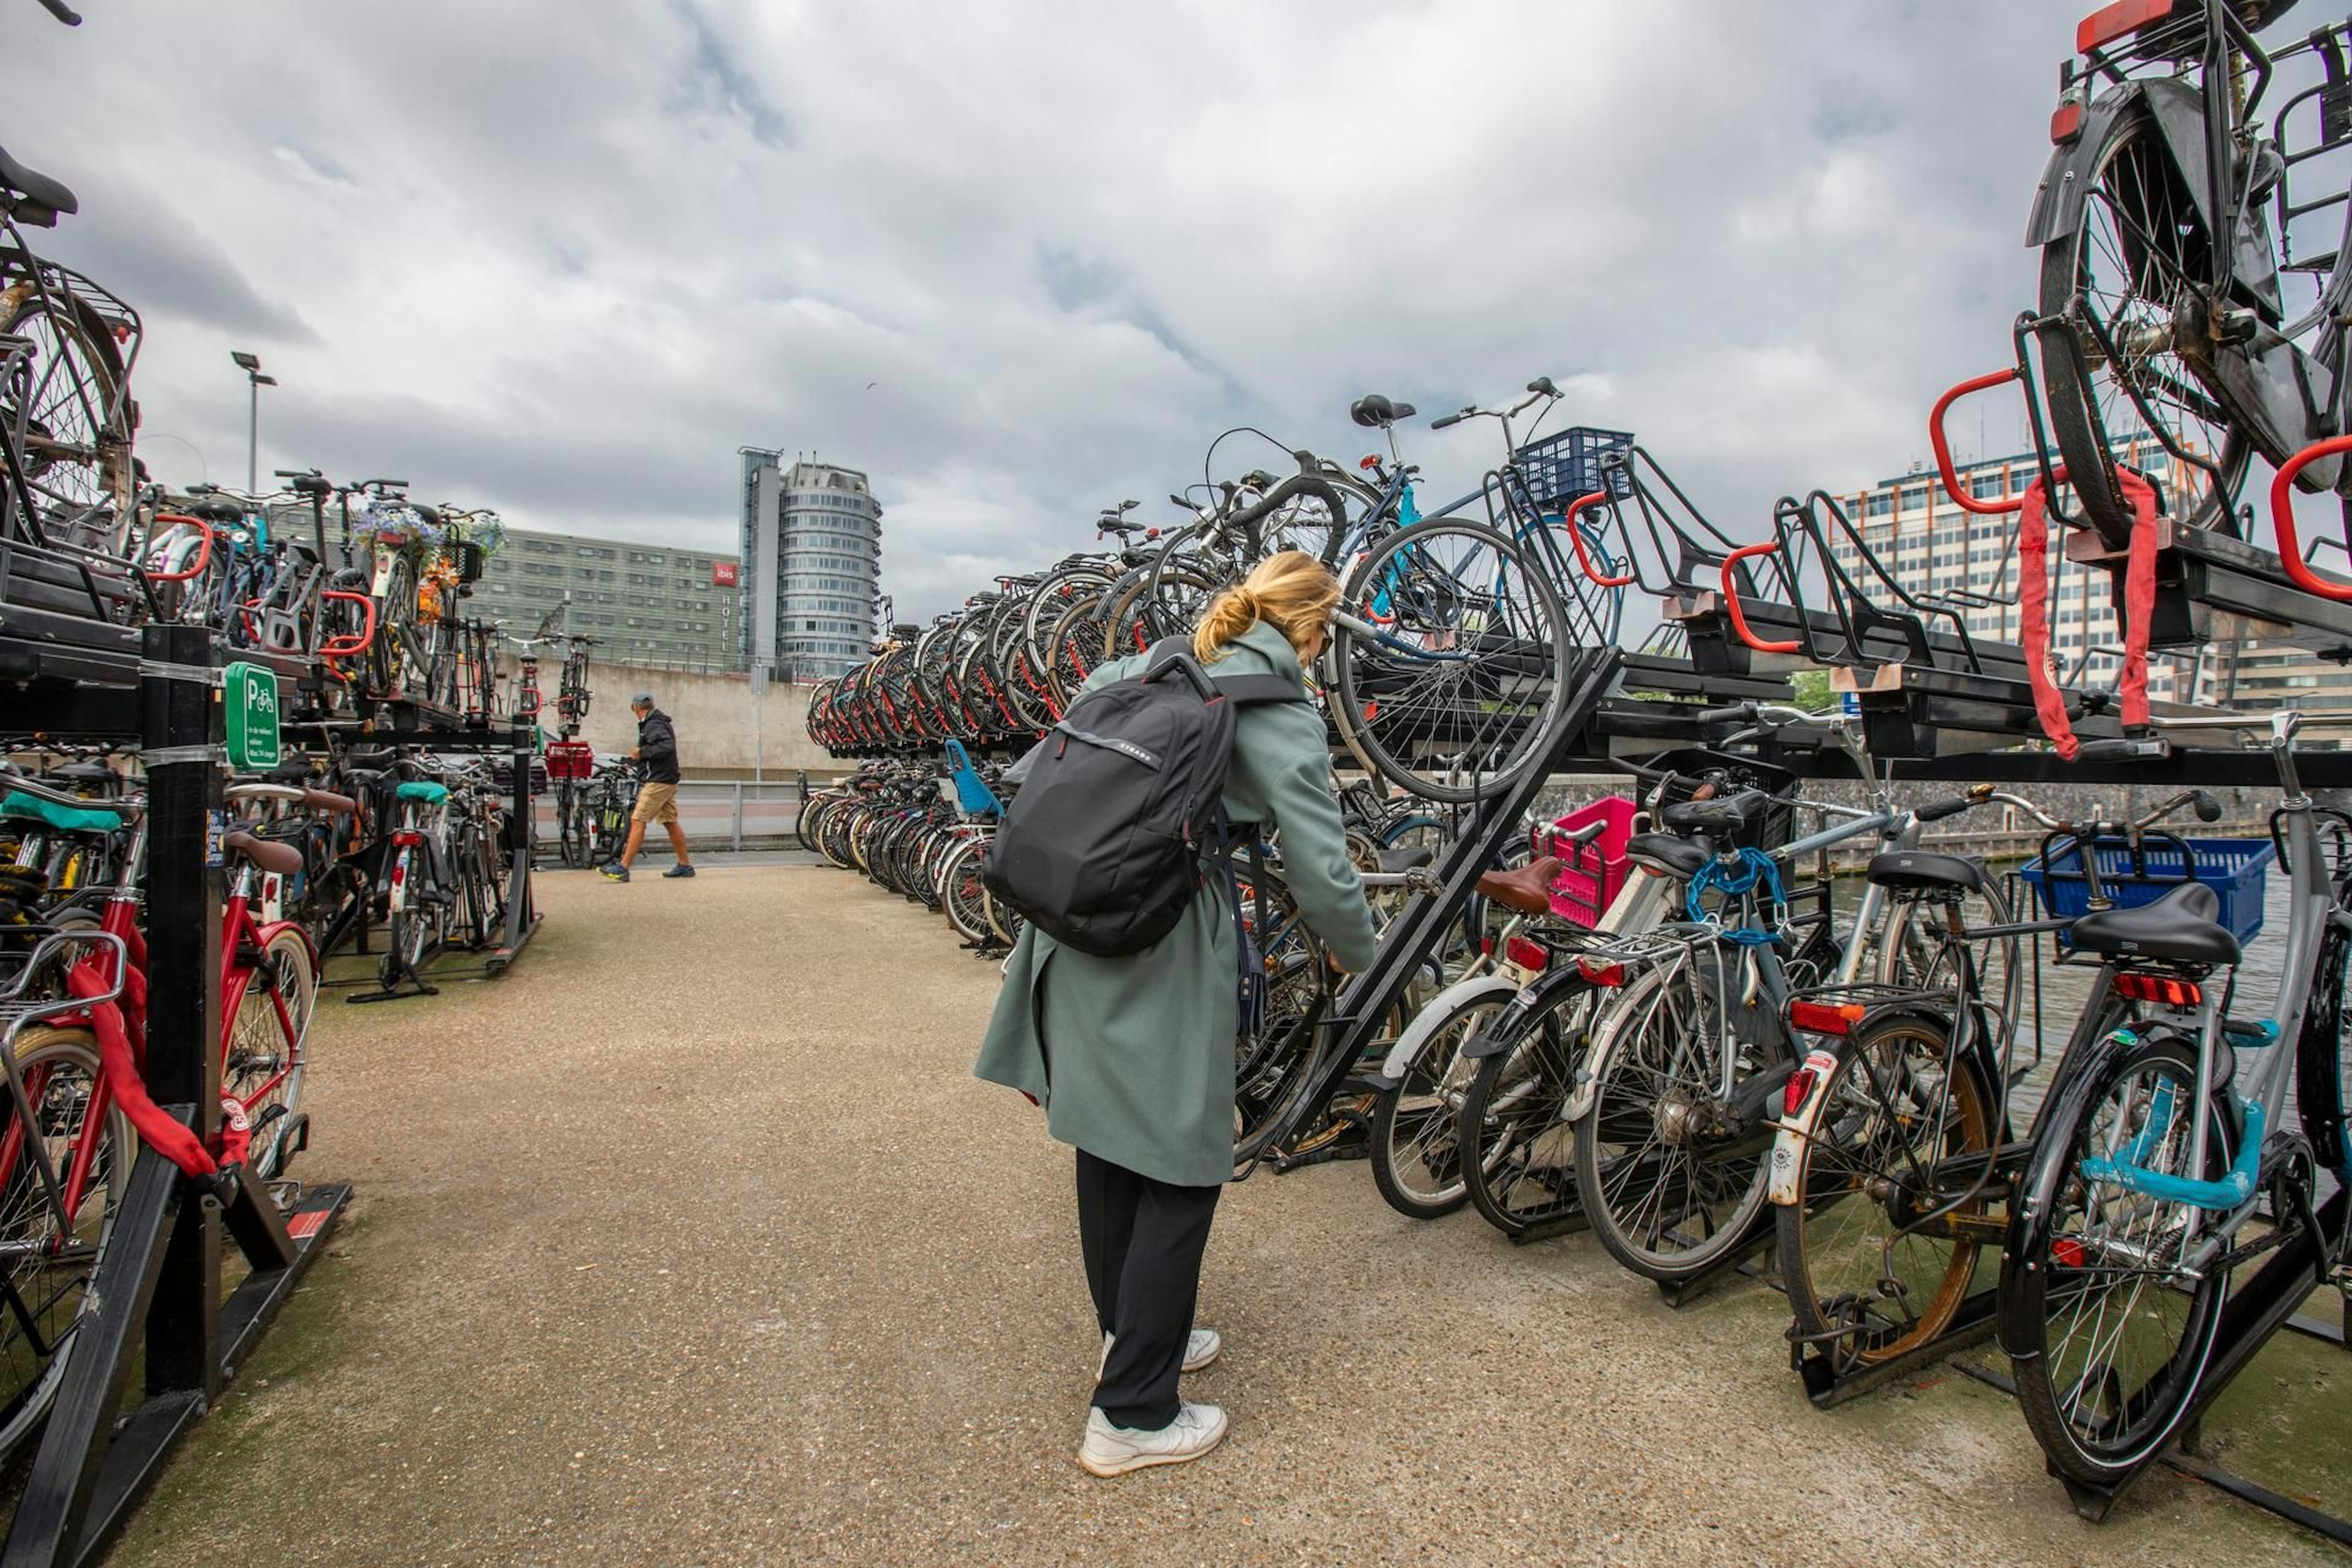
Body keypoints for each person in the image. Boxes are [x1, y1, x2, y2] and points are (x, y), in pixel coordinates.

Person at [974, 551, 1379, 1477]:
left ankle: (1131, 1335)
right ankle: (1135, 1413)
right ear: (1311, 631)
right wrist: (1374, 959)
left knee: (1111, 1144)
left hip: (1072, 933)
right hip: (1161, 939)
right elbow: (1321, 869)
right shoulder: (1278, 713)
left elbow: (1041, 774)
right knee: (1186, 1165)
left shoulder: (1137, 668)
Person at [601, 692, 693, 883]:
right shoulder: (657, 722)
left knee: (637, 819)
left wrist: (641, 752)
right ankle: (685, 865)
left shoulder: (653, 724)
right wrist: (635, 760)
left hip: (658, 781)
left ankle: (623, 867)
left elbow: (666, 747)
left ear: (635, 708)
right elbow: (661, 752)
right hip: (666, 778)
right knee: (669, 821)